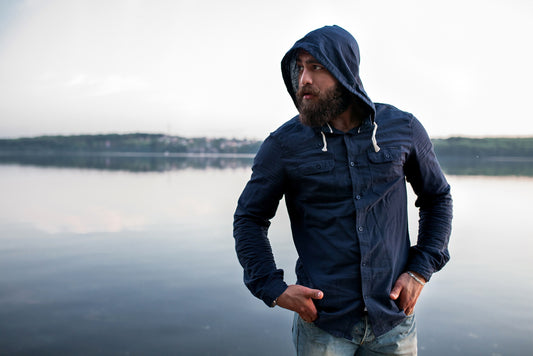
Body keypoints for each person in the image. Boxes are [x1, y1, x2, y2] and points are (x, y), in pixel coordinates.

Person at [233, 25, 452, 355]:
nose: (303, 79)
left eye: (316, 67)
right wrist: (273, 288)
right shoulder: (283, 145)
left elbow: (437, 198)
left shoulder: (401, 129)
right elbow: (249, 218)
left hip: (393, 321)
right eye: (300, 68)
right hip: (323, 325)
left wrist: (419, 271)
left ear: (344, 70)